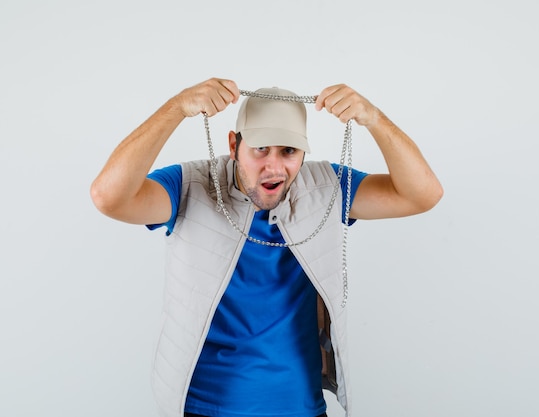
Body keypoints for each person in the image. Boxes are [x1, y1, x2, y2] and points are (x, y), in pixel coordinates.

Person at [90, 77, 443, 417]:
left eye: (289, 151)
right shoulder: (188, 184)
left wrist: (374, 118)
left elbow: (422, 195)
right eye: (260, 149)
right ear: (233, 146)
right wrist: (176, 108)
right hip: (202, 406)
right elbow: (109, 197)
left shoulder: (326, 186)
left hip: (300, 407)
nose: (274, 167)